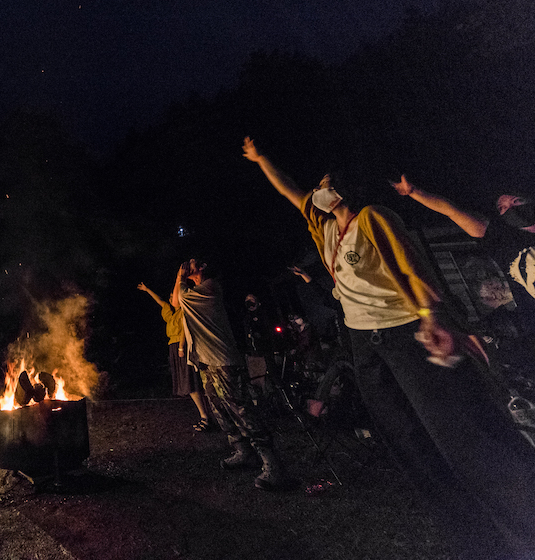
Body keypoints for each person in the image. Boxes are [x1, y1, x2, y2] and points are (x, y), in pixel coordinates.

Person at [243, 136, 535, 557]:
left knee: (457, 431)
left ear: (341, 189)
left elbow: (411, 266)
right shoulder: (325, 228)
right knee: (406, 439)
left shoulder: (373, 217)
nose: (317, 190)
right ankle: (466, 535)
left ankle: (519, 525)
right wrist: (261, 159)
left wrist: (432, 317)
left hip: (405, 332)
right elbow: (290, 190)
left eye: (324, 184)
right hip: (364, 341)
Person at [391, 175, 535, 378]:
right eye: (502, 208)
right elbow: (451, 211)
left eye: (516, 201)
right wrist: (414, 192)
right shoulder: (502, 238)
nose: (510, 208)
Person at [174, 259, 295, 491]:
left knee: (242, 410)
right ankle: (243, 452)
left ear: (203, 266)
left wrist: (180, 276)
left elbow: (178, 299)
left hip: (223, 360)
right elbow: (176, 300)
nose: (188, 264)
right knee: (220, 410)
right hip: (206, 361)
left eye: (192, 262)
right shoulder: (195, 292)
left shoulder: (210, 287)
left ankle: (273, 466)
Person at [137, 281, 214, 430]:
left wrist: (181, 347)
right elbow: (159, 300)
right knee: (188, 383)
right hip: (173, 347)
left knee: (190, 382)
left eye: (176, 296)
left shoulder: (184, 311)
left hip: (182, 347)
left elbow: (185, 330)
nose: (173, 298)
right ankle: (206, 416)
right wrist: (147, 289)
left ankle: (206, 417)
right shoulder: (169, 312)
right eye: (172, 296)